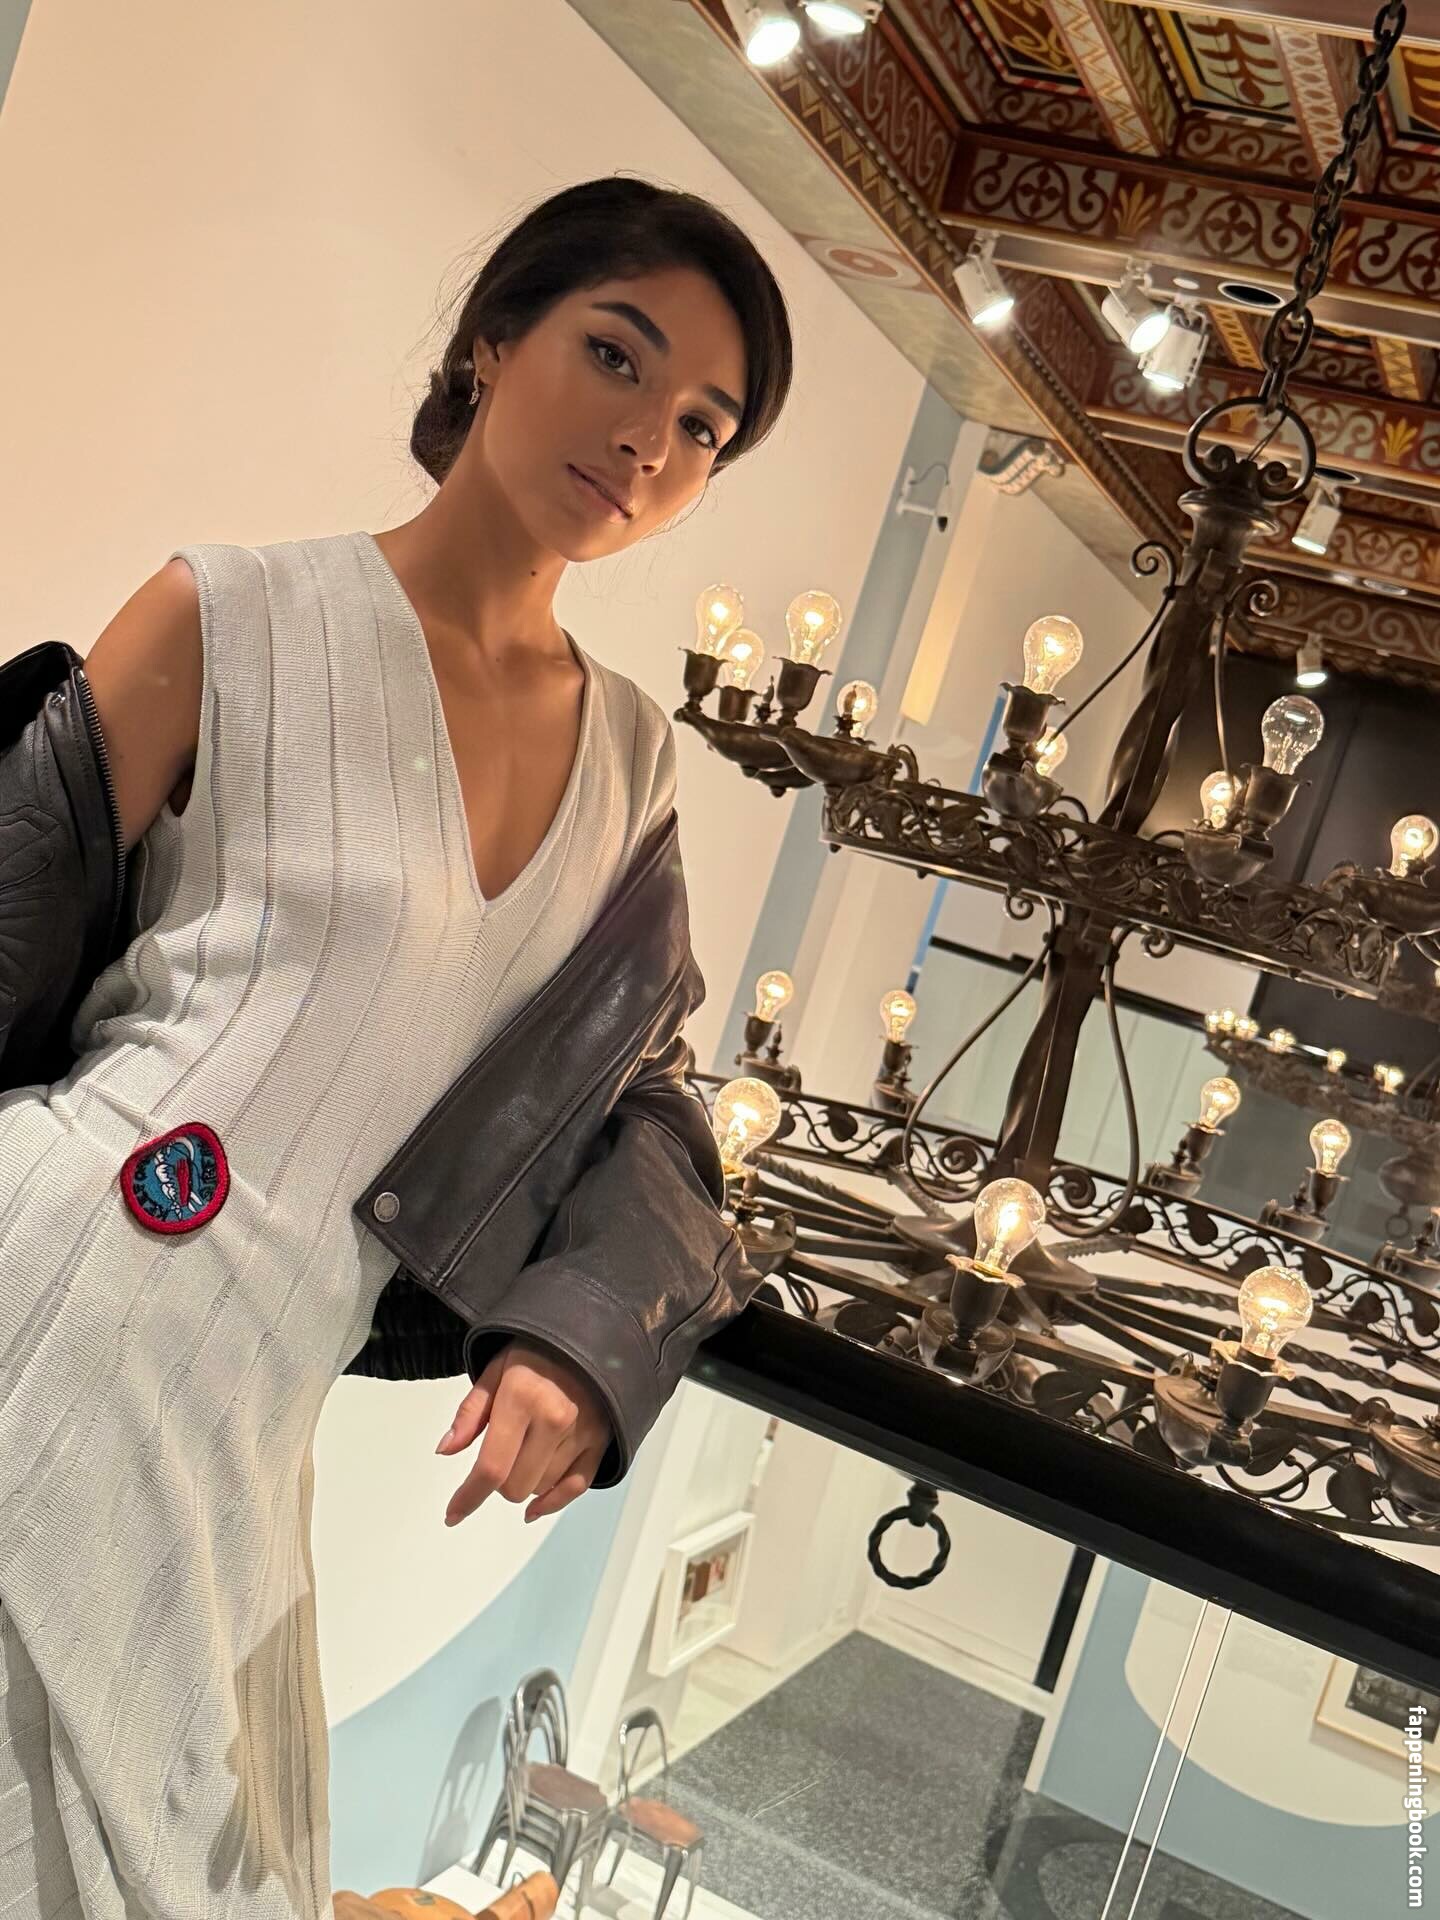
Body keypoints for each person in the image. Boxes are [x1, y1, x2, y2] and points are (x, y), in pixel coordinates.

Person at [0, 175, 792, 1920]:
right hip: (54, 1273)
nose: (648, 439)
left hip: (249, 1400)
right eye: (617, 356)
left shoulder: (632, 763)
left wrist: (588, 1336)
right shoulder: (228, 610)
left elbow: (646, 1101)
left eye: (702, 425)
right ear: (493, 340)